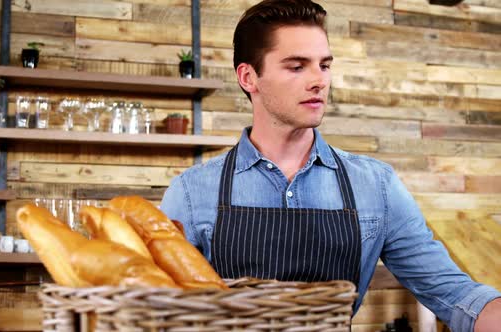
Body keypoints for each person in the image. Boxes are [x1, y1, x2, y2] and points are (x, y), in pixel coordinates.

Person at [160, 0, 501, 330]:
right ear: (249, 77)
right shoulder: (192, 192)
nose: (319, 81)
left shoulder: (376, 184)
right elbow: (159, 310)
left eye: (324, 65)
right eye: (297, 66)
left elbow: (456, 296)